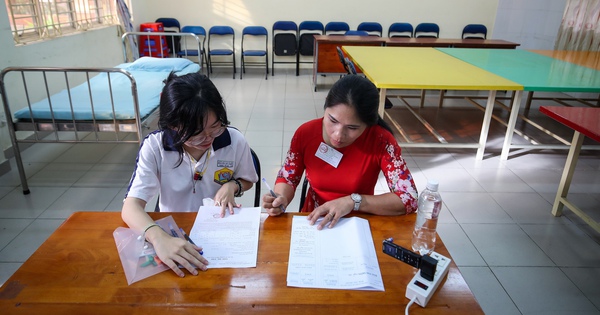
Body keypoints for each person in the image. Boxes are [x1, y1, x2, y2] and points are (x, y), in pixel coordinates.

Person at [121, 72, 258, 277]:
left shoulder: (233, 141)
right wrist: (158, 238)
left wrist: (233, 186)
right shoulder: (155, 146)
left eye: (215, 128)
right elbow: (130, 207)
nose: (207, 139)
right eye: (195, 134)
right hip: (173, 230)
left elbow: (248, 180)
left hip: (220, 229)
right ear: (172, 125)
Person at [262, 75, 418, 230]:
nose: (338, 135)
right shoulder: (306, 133)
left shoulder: (381, 141)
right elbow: (288, 177)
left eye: (352, 128)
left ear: (368, 125)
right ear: (325, 107)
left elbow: (409, 198)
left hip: (357, 222)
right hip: (315, 220)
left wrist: (353, 202)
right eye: (332, 121)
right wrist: (281, 197)